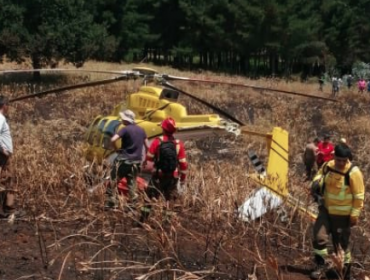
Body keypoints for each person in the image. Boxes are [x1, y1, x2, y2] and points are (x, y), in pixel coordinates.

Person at [310, 143, 364, 279]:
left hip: (342, 216)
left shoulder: (353, 172)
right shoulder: (328, 166)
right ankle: (320, 267)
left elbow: (359, 197)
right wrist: (316, 183)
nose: (340, 163)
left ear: (347, 159)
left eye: (343, 161)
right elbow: (319, 175)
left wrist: (354, 215)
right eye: (338, 160)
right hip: (326, 211)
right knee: (318, 238)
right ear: (334, 157)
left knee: (341, 247)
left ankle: (345, 274)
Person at [140, 117, 188, 223]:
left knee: (149, 196)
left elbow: (149, 157)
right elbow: (183, 164)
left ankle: (142, 220)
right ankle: (166, 221)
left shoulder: (158, 141)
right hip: (173, 176)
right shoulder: (178, 144)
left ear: (163, 129)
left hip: (159, 175)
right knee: (169, 199)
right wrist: (183, 179)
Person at [106, 109, 149, 208]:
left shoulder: (125, 129)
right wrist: (145, 160)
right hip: (137, 162)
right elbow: (147, 147)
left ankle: (111, 202)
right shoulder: (141, 130)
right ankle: (134, 203)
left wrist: (116, 149)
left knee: (113, 181)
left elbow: (113, 139)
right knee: (132, 184)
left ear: (126, 120)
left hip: (124, 160)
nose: (121, 120)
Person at [0, 96, 14, 218]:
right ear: (4, 106)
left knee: (7, 179)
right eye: (7, 105)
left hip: (4, 155)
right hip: (3, 156)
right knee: (5, 180)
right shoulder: (0, 118)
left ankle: (8, 207)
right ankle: (5, 210)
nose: (8, 107)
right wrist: (2, 149)